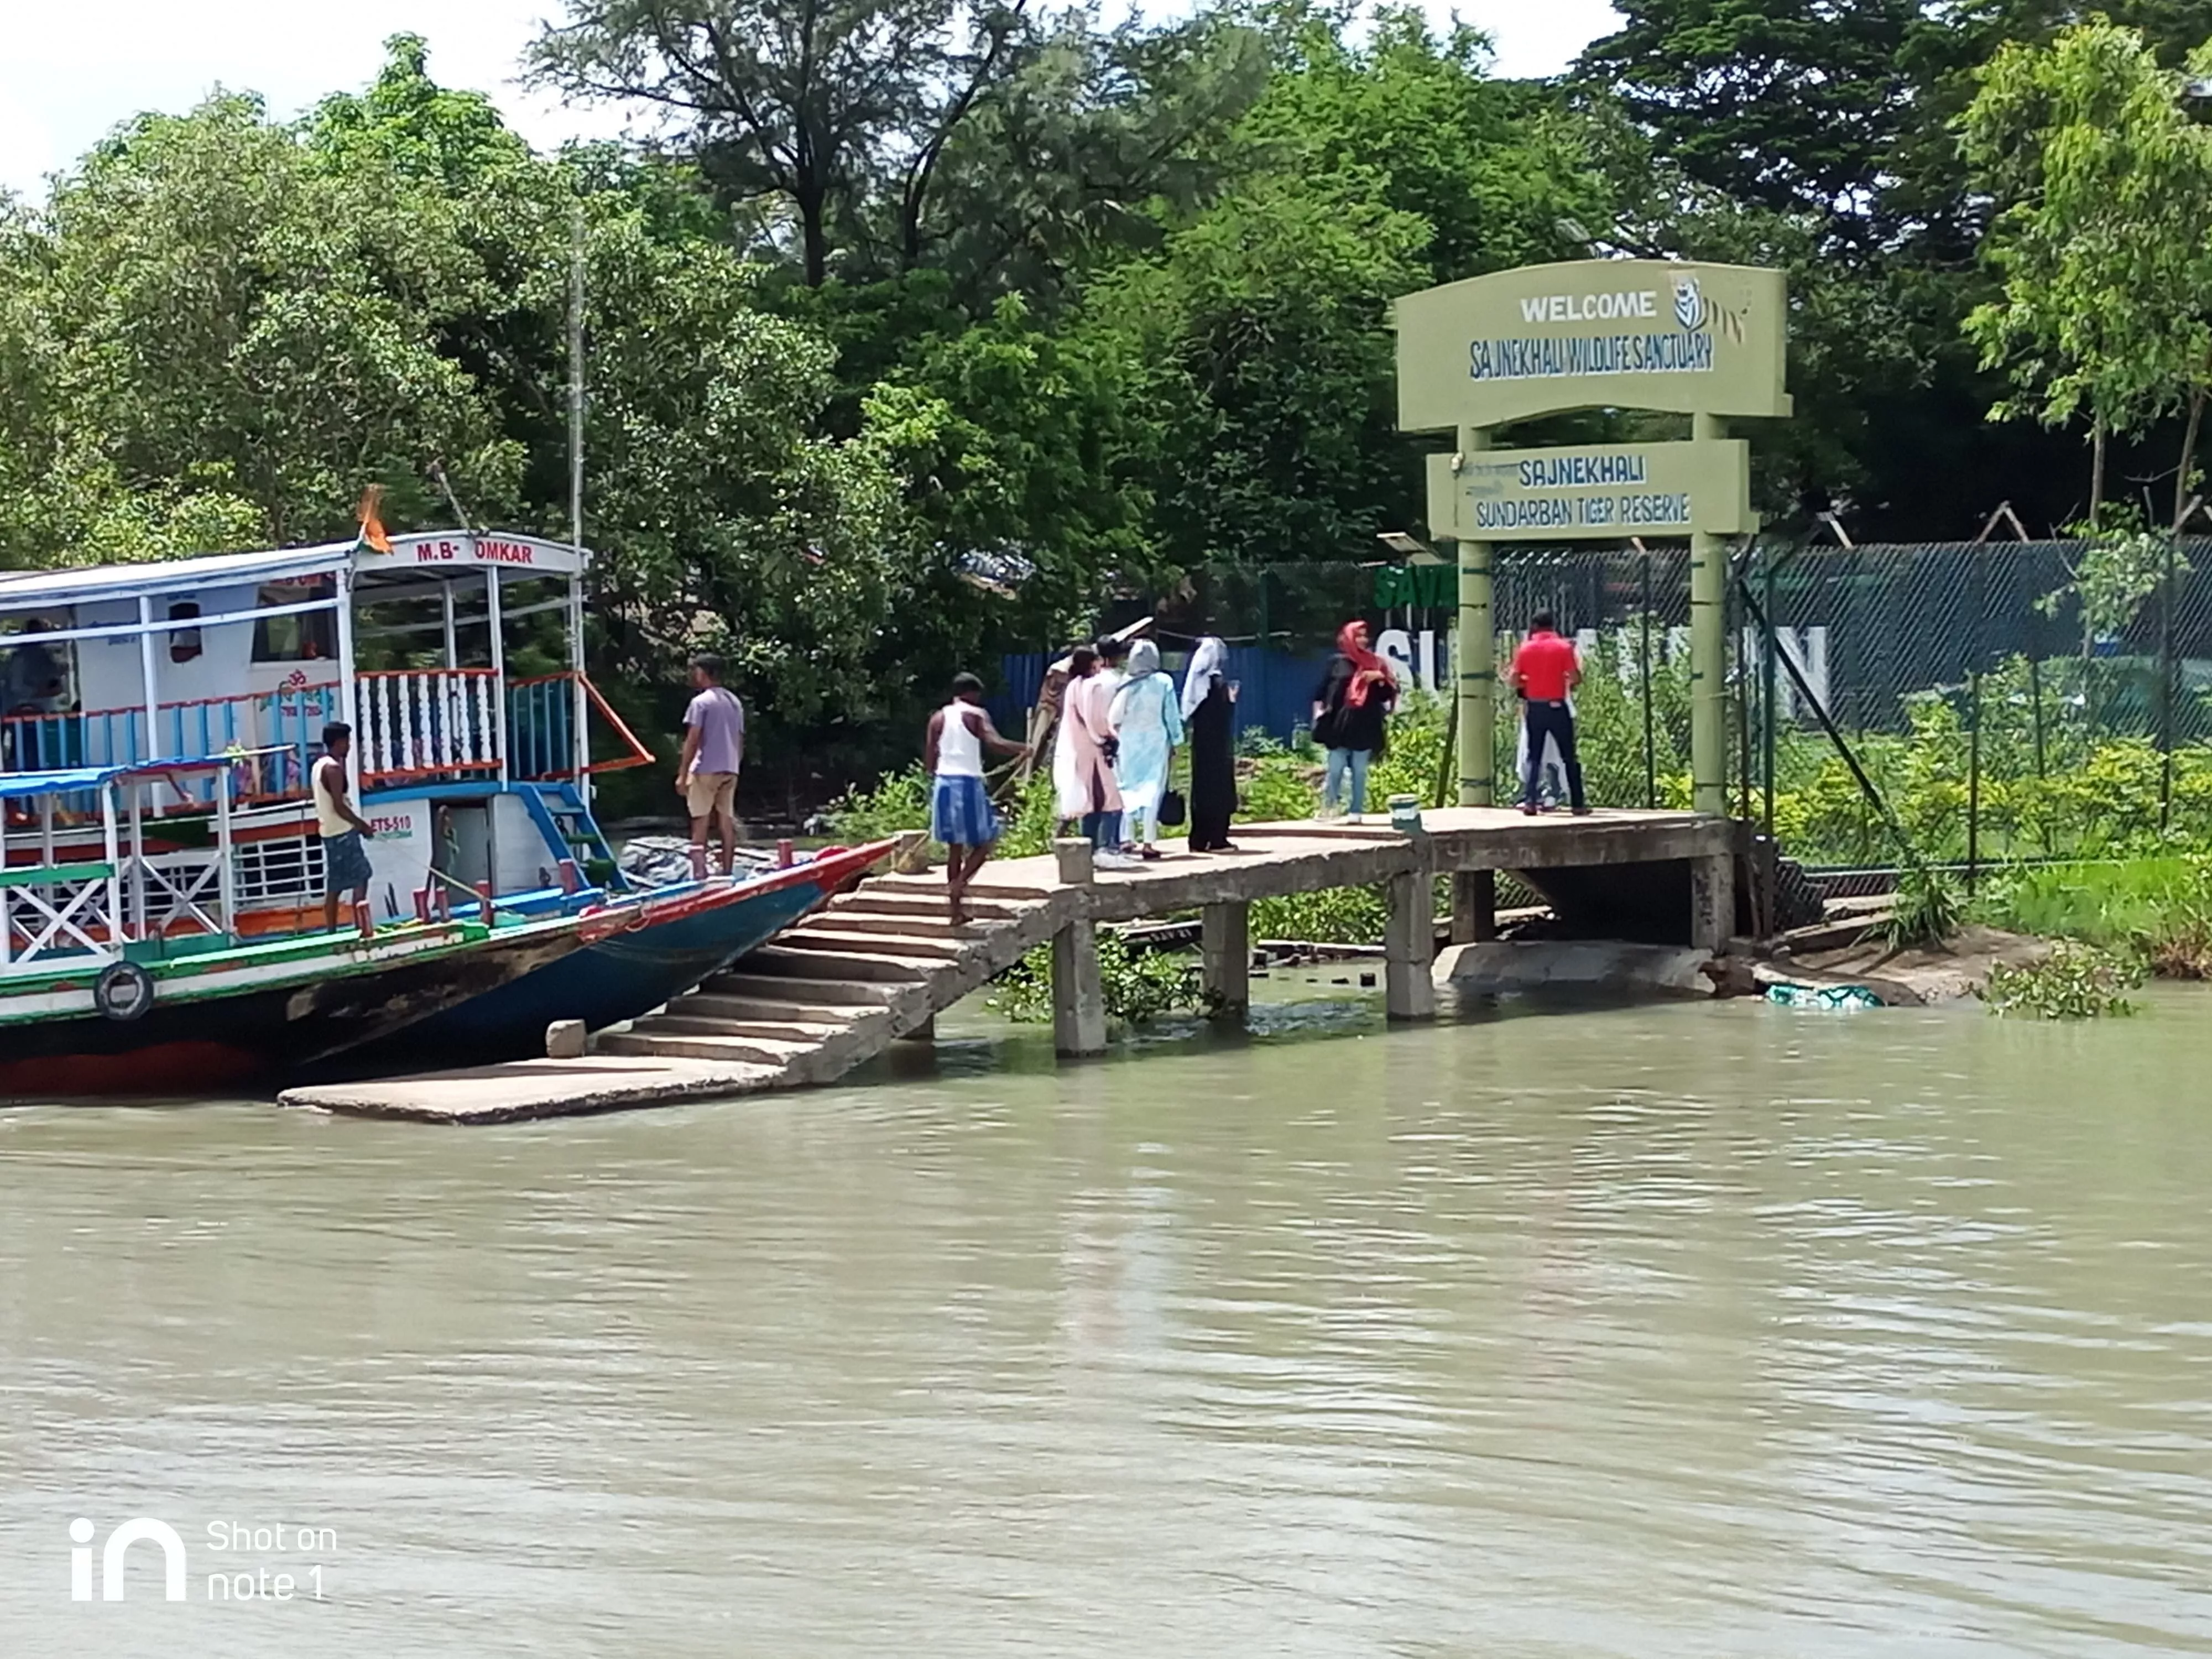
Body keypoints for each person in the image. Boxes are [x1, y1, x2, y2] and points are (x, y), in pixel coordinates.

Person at [926, 673, 1029, 926]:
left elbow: (929, 758)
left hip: (943, 783)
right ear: (972, 693)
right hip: (967, 784)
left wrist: (937, 776)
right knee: (986, 842)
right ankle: (958, 885)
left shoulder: (937, 718)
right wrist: (1023, 749)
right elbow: (995, 742)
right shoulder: (976, 714)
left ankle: (955, 912)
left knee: (955, 848)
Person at [1311, 619, 1397, 818]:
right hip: (1338, 724)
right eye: (1358, 636)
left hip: (1365, 723)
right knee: (1335, 768)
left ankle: (1356, 810)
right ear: (1348, 637)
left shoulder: (1376, 664)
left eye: (1365, 636)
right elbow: (1321, 691)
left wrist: (1380, 680)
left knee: (1359, 771)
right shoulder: (1337, 663)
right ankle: (1329, 807)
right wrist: (1318, 714)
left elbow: (1386, 696)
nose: (1362, 640)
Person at [1109, 639, 1183, 859]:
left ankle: (1126, 839)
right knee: (1153, 791)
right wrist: (1177, 741)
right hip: (1156, 743)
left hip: (1128, 743)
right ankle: (1149, 843)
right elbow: (1171, 714)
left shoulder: (1125, 683)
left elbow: (1114, 717)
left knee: (1127, 789)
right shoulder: (1163, 682)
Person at [1509, 611, 1588, 815]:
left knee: (1534, 755)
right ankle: (1578, 804)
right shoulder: (1563, 647)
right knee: (1569, 756)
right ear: (1553, 625)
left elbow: (1514, 680)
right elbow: (1575, 677)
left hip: (1535, 707)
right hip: (1557, 706)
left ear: (1534, 626)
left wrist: (1530, 682)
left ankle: (1531, 802)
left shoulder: (1525, 649)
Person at [676, 653, 745, 875]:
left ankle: (700, 873)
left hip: (706, 767)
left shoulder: (700, 703)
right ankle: (727, 870)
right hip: (730, 767)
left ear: (703, 673)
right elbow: (740, 738)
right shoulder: (734, 702)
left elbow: (693, 739)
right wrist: (736, 762)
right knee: (726, 820)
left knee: (700, 818)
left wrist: (682, 773)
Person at [312, 723, 375, 937]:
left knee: (335, 885)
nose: (349, 746)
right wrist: (362, 826)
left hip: (328, 833)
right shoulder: (334, 769)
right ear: (339, 742)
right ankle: (361, 928)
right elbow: (339, 806)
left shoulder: (319, 765)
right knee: (362, 876)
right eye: (347, 741)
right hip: (343, 832)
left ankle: (331, 932)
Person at [1181, 636, 1238, 853]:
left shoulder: (1197, 685)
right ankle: (1217, 839)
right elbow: (1223, 714)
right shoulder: (1217, 683)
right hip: (1218, 747)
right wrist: (1231, 700)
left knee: (1201, 788)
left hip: (1201, 746)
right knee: (1219, 789)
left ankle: (1198, 839)